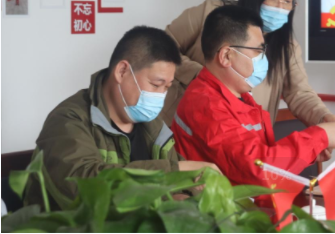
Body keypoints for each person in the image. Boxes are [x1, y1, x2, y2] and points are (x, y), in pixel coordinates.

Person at [161, 0, 335, 156]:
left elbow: (299, 93)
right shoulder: (212, 15)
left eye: (287, 1)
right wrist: (201, 76)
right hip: (187, 132)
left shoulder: (288, 46)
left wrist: (323, 117)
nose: (279, 7)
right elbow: (163, 47)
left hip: (244, 144)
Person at [25, 26, 219, 210]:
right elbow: (83, 185)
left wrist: (185, 194)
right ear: (122, 71)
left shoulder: (153, 127)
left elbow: (180, 184)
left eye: (166, 87)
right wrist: (175, 170)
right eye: (155, 84)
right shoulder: (68, 120)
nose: (160, 95)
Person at [172, 5, 335, 186]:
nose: (264, 58)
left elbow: (262, 158)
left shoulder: (239, 97)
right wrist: (319, 137)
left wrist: (310, 152)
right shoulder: (206, 105)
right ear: (226, 56)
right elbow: (259, 169)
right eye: (258, 51)